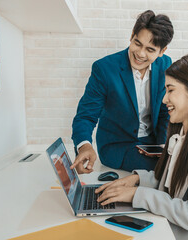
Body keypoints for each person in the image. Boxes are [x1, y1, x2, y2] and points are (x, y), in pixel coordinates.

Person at [95, 54, 188, 239]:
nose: (164, 99)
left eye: (170, 90)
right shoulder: (182, 132)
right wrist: (136, 180)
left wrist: (137, 194)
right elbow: (171, 185)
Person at [71, 10, 174, 174]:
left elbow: (164, 112)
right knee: (164, 170)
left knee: (183, 162)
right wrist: (84, 146)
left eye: (150, 49)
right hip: (118, 146)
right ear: (132, 35)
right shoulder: (104, 68)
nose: (140, 54)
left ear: (162, 51)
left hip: (153, 143)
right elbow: (86, 115)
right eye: (137, 43)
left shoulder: (165, 65)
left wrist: (163, 147)